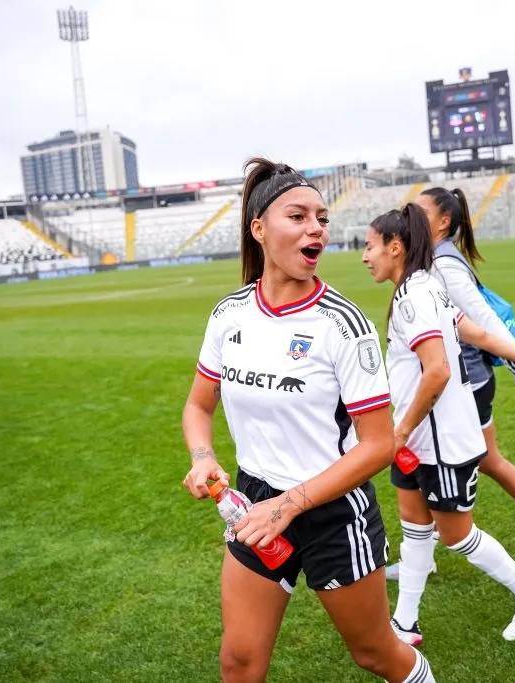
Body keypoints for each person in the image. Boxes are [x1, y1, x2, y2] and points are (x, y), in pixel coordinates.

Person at [181, 157, 436, 683]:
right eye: (297, 216)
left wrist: (290, 505)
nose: (315, 227)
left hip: (332, 512)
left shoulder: (344, 325)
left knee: (376, 655)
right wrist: (203, 456)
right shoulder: (229, 315)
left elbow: (377, 445)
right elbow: (198, 405)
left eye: (320, 218)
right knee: (239, 661)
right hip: (254, 502)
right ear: (258, 229)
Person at [362, 203, 515, 644]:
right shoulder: (426, 286)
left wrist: (398, 432)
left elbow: (437, 372)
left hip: (439, 441)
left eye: (369, 246)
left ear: (396, 247)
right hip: (419, 440)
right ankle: (405, 623)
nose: (364, 255)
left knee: (455, 535)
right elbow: (480, 334)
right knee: (414, 526)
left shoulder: (415, 295)